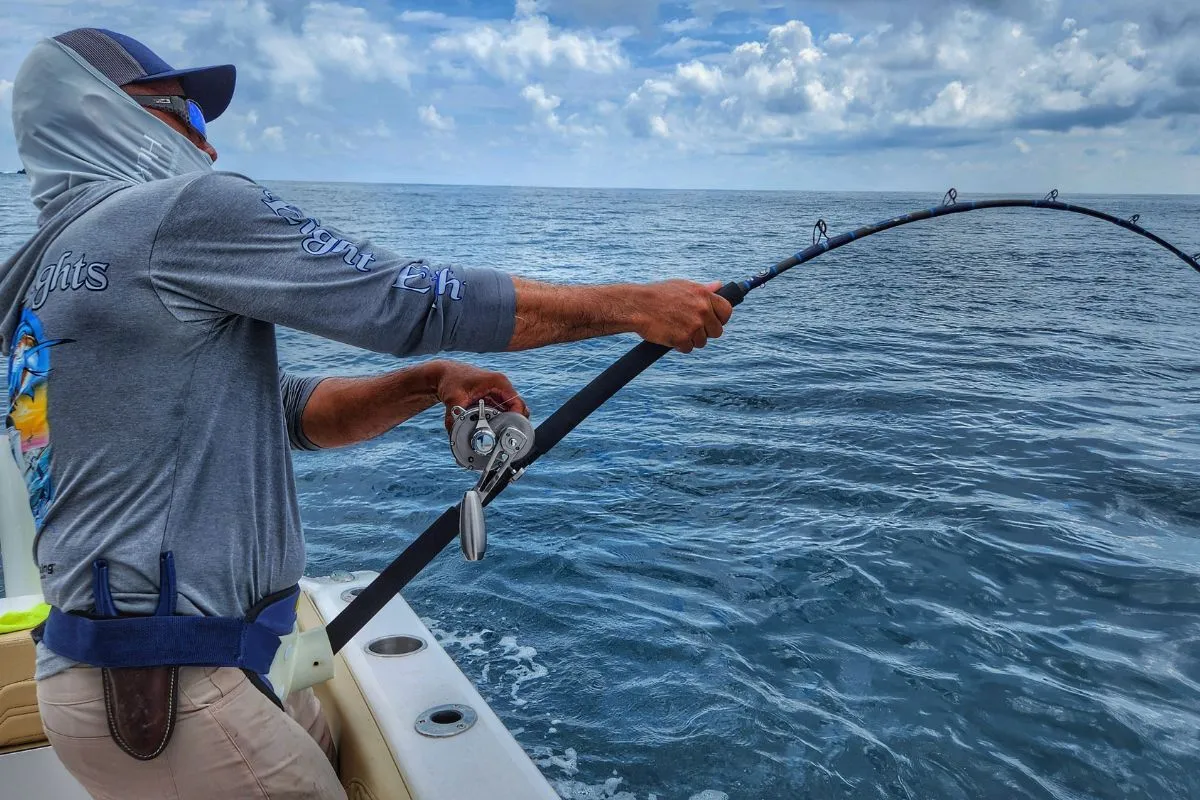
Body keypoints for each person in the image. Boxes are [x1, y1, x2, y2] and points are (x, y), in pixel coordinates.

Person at [0, 27, 733, 800]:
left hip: (105, 681)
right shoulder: (178, 211)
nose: (208, 148)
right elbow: (407, 298)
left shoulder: (35, 276)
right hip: (174, 693)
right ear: (97, 110)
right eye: (190, 115)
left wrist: (424, 384)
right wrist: (635, 306)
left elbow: (279, 412)